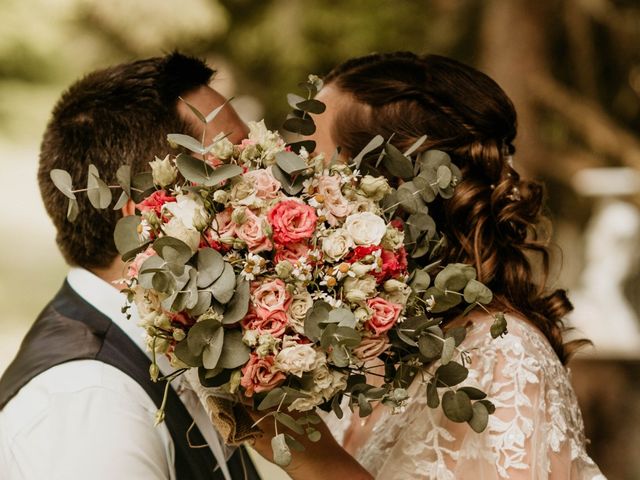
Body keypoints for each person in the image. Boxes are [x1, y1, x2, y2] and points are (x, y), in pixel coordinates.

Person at [252, 52, 607, 479]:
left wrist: (316, 460)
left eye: (316, 174)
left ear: (396, 191)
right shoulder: (370, 356)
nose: (292, 197)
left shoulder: (503, 356)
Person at [0, 53, 261, 480]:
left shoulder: (178, 346)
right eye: (238, 173)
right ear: (149, 218)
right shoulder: (91, 406)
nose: (267, 196)